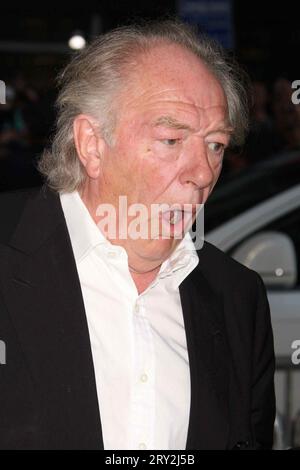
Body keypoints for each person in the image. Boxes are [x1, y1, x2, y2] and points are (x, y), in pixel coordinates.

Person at [0, 20, 275, 450]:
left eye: (216, 145)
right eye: (171, 139)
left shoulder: (238, 298)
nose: (203, 172)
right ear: (92, 144)